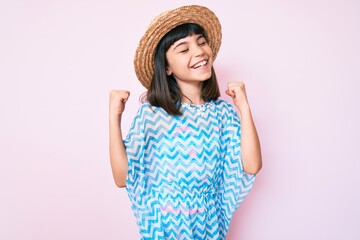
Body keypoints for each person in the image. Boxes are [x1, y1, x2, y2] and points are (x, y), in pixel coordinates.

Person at [109, 5, 262, 239]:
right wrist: (114, 118)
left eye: (201, 42)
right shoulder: (154, 114)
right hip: (165, 225)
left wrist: (243, 107)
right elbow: (123, 177)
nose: (199, 51)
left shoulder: (222, 113)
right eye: (184, 48)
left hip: (208, 224)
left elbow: (251, 166)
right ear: (167, 67)